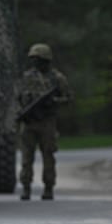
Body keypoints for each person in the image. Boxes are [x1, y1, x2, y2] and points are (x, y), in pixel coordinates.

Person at [17, 43, 72, 201]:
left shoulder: (57, 78)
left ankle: (48, 187)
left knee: (48, 156)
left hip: (47, 122)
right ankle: (26, 187)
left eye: (39, 59)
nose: (35, 63)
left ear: (46, 60)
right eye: (34, 59)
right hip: (29, 122)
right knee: (27, 158)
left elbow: (68, 98)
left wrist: (54, 101)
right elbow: (18, 97)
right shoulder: (27, 77)